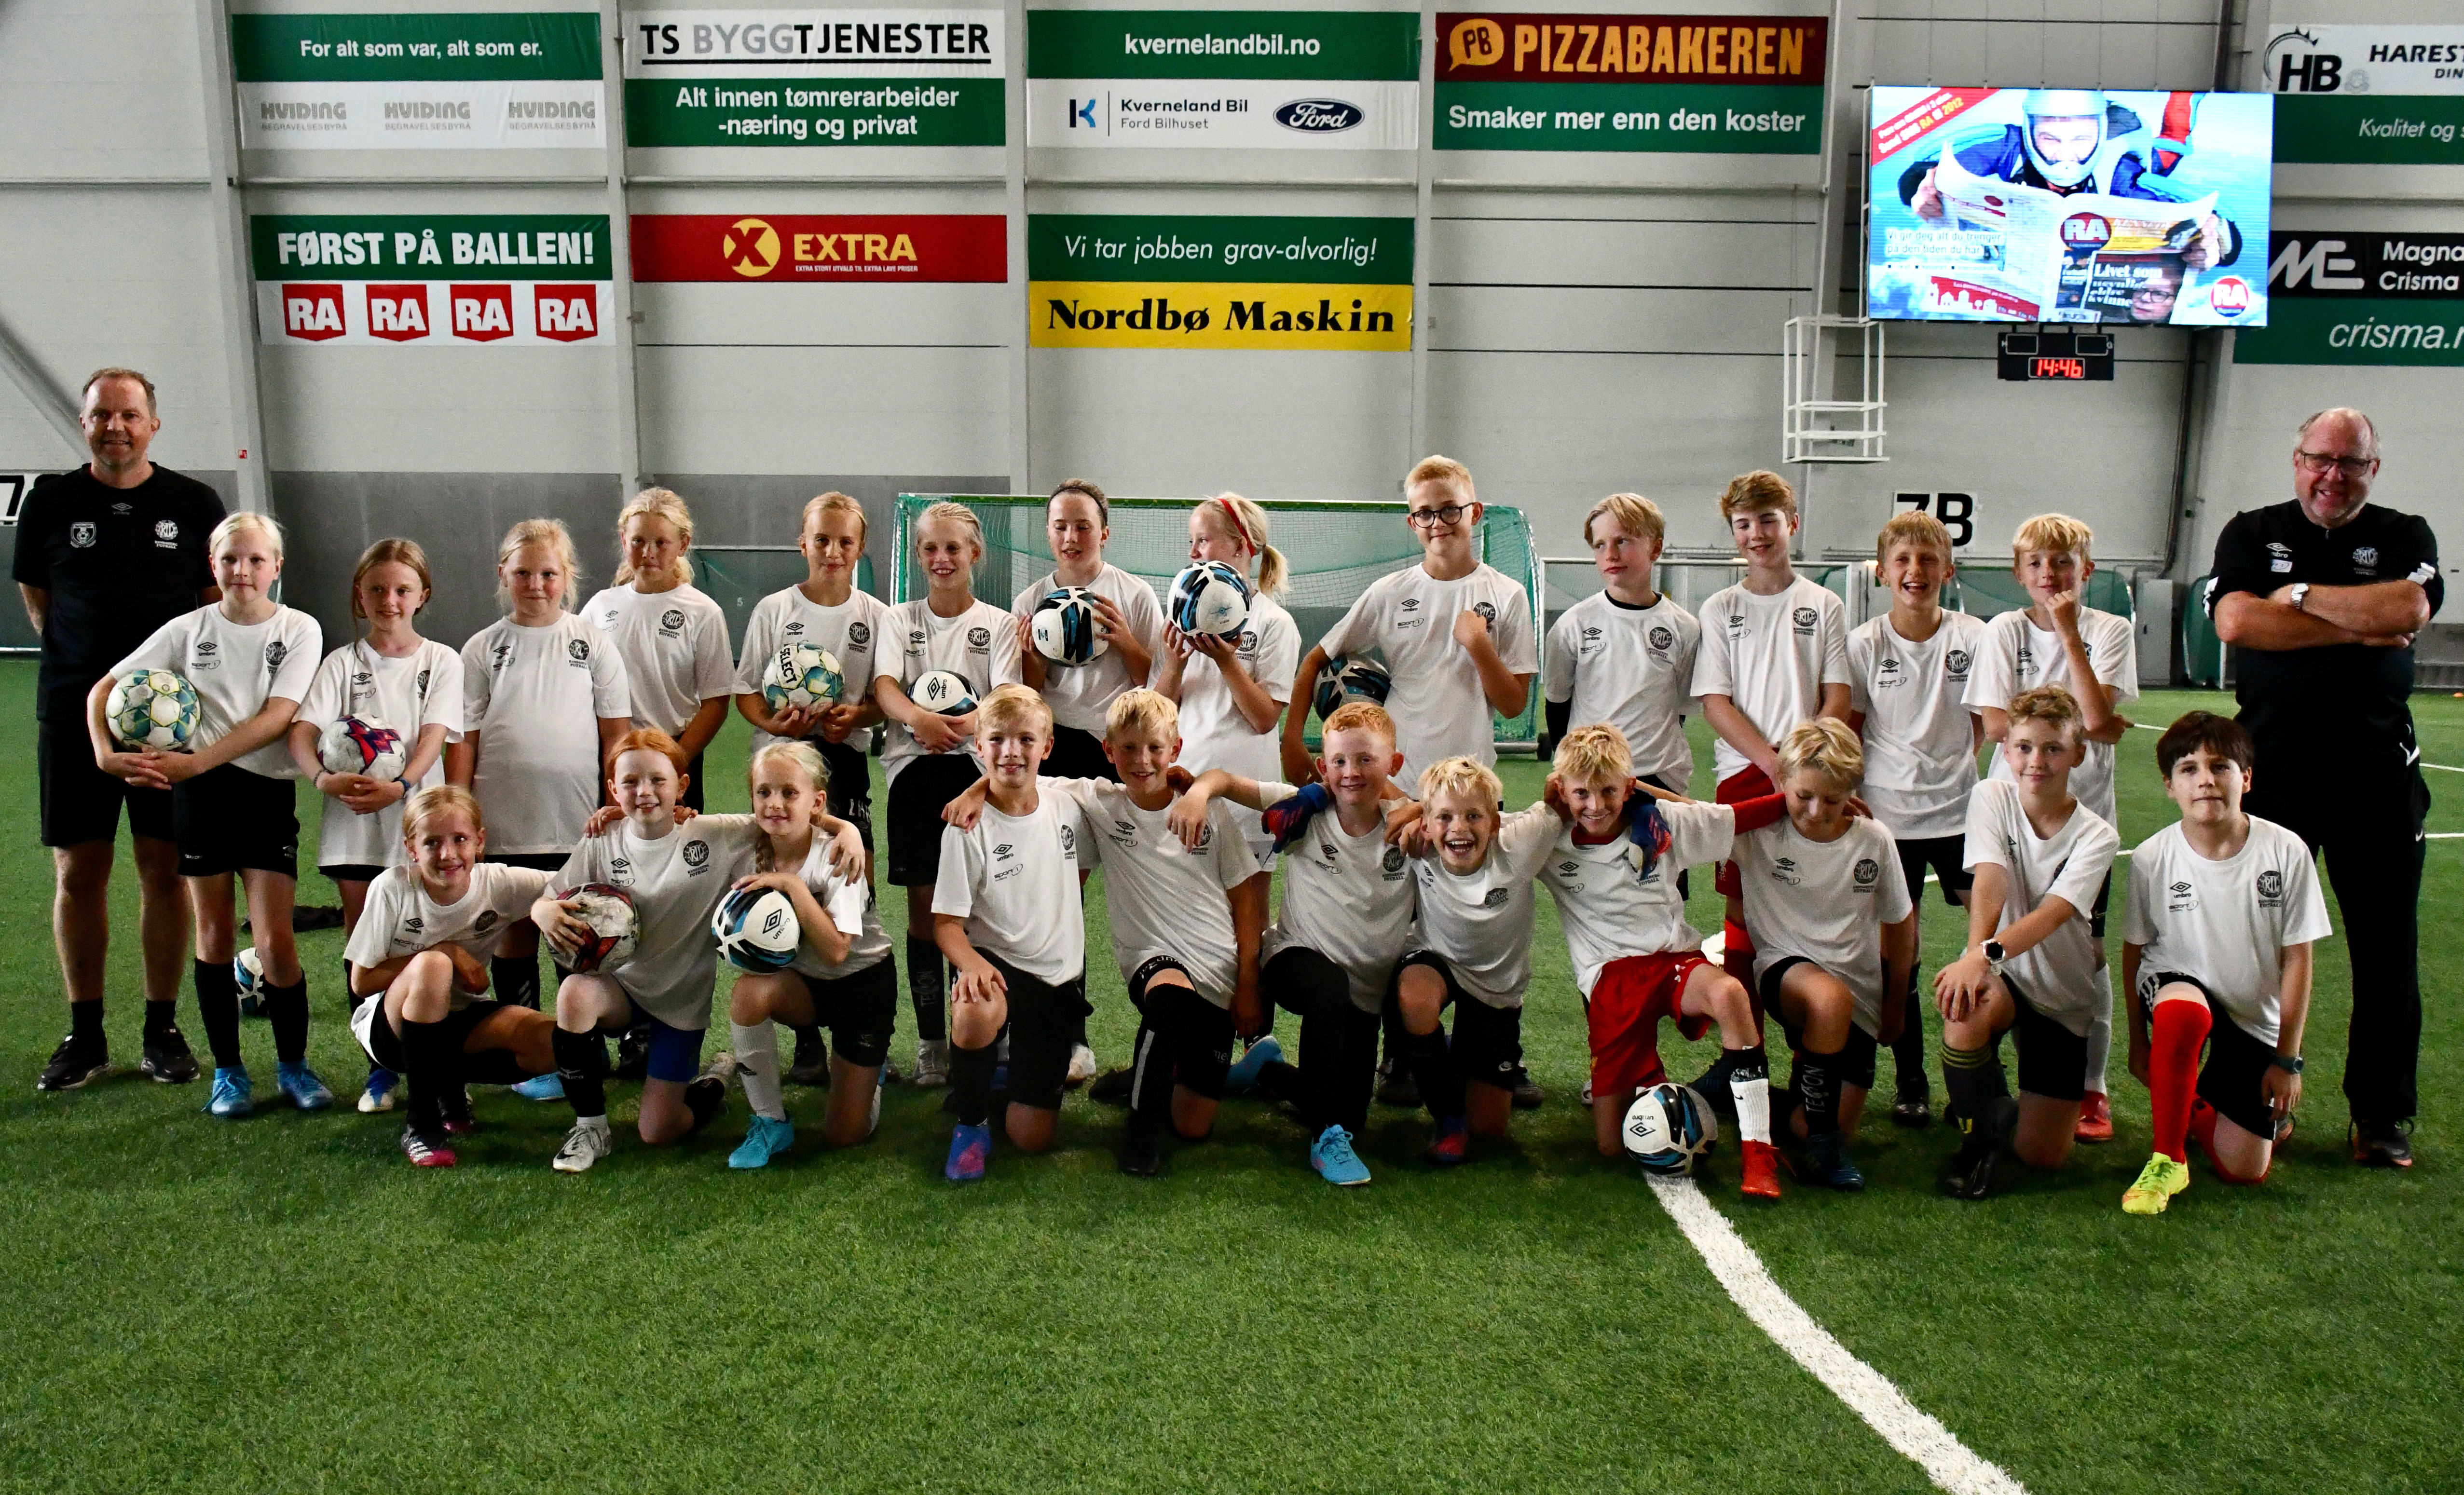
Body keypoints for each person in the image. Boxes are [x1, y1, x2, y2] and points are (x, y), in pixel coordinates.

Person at [2207, 407, 2440, 1167]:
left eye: (2350, 463)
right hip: (2272, 778)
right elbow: (2237, 623)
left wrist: (2298, 597)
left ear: (2373, 470)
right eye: (2320, 459)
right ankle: (2248, 1099)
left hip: (2378, 781)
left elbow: (2406, 609)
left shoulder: (2406, 535)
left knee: (2386, 952)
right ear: (2298, 459)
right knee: (2253, 951)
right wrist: (2356, 624)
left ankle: (2381, 1114)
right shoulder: (2251, 532)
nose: (2332, 475)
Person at [1285, 455, 1537, 1108]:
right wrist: (1292, 738)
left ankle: (1501, 1053)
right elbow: (1317, 658)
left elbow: (1514, 702)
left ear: (1474, 513)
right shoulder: (1391, 592)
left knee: (1485, 914)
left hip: (1471, 791)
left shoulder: (1506, 595)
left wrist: (1478, 645)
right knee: (1404, 917)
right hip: (1397, 788)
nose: (1438, 522)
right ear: (1411, 522)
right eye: (1425, 513)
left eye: (1450, 509)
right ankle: (1400, 1054)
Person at [947, 689, 1272, 1176]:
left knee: (1192, 1125)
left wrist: (1247, 981)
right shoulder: (1099, 802)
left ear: (1175, 749)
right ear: (1109, 750)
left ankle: (1159, 1074)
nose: (1142, 761)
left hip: (1217, 970)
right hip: (1154, 959)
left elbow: (1246, 901)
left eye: (1155, 749)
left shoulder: (1207, 812)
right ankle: (1140, 1137)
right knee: (1171, 1003)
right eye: (1129, 748)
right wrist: (974, 791)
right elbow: (1018, 775)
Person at [18, 367, 223, 1091]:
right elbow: (39, 600)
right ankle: (85, 1032)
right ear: (84, 423)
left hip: (171, 725)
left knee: (164, 870)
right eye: (102, 415)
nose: (116, 427)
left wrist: (158, 696)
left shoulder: (193, 504)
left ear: (153, 424)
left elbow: (212, 609)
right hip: (71, 713)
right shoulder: (51, 502)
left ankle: (161, 1028)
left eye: (130, 415)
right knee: (78, 872)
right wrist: (94, 683)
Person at [533, 728, 861, 1173]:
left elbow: (786, 815)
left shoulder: (713, 834)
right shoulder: (603, 838)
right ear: (613, 789)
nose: (644, 792)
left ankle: (715, 1081)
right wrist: (543, 913)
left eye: (658, 780)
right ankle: (590, 1127)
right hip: (621, 992)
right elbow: (548, 897)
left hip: (679, 1007)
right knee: (574, 992)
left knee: (659, 1131)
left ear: (682, 786)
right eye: (630, 782)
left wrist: (847, 830)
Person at [89, 512, 324, 1117]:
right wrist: (105, 753)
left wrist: (195, 761)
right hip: (200, 799)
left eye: (256, 559)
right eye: (229, 559)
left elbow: (277, 717)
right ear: (212, 565)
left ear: (277, 566)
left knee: (274, 942)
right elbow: (103, 690)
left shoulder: (299, 628)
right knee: (215, 936)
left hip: (264, 796)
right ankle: (229, 1073)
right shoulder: (187, 629)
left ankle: (294, 1066)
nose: (242, 570)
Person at [1170, 702, 1418, 1187]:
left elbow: (1475, 814)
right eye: (1340, 761)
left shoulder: (1406, 826)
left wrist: (1423, 806)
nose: (1351, 772)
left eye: (1366, 760)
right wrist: (1198, 793)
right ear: (1323, 767)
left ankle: (1264, 1072)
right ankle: (1325, 1139)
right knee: (1328, 990)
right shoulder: (1304, 811)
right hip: (1293, 960)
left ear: (1394, 763)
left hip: (1365, 992)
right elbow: (1223, 779)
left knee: (1350, 1113)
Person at [1536, 725, 1782, 1199]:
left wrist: (1804, 801)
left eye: (1609, 791)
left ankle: (1758, 1151)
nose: (1595, 805)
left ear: (1629, 787)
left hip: (1671, 960)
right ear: (1561, 790)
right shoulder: (1549, 836)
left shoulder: (1661, 822)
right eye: (1582, 793)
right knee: (1611, 1146)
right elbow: (1484, 827)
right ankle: (1650, 1081)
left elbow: (1737, 817)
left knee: (1730, 993)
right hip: (1609, 980)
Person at [1963, 513, 2137, 1142]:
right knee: (1997, 937)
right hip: (2011, 816)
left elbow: (2098, 718)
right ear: (2018, 573)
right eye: (2035, 563)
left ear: (2084, 570)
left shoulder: (2110, 629)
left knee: (2085, 953)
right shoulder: (2003, 630)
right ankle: (1989, 1080)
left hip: (2081, 817)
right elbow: (1997, 724)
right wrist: (2081, 725)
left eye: (2062, 563)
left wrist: (2067, 634)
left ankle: (2091, 1086)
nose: (2049, 574)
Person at [2119, 712, 2329, 1214]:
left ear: (2246, 778)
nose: (2206, 780)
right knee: (2182, 1012)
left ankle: (2193, 1099)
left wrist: (2286, 1060)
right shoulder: (2152, 857)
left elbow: (2298, 959)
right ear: (2170, 786)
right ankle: (2167, 1159)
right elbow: (2134, 950)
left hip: (2250, 1015)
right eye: (2188, 769)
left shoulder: (2286, 851)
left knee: (2244, 1170)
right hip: (2178, 987)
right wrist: (2138, 1040)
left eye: (2220, 766)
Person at [287, 538, 462, 1114]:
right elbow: (302, 732)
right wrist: (320, 778)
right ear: (359, 597)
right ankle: (380, 1069)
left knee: (430, 941)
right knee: (366, 944)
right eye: (377, 590)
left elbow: (435, 734)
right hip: (355, 824)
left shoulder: (441, 661)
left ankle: (439, 1070)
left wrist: (403, 785)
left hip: (419, 822)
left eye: (402, 590)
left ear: (422, 596)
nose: (390, 600)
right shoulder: (341, 663)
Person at [732, 491, 895, 1085]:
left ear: (860, 548)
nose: (832, 551)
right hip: (782, 766)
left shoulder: (876, 615)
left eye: (844, 541)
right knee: (785, 887)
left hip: (843, 761)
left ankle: (861, 1024)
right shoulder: (775, 609)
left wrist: (858, 716)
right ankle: (806, 1041)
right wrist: (775, 724)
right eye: (821, 539)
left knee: (855, 879)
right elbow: (746, 692)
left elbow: (882, 697)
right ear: (802, 543)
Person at [1933, 685, 2121, 1200]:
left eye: (2052, 748)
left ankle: (1994, 1105)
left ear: (2077, 754)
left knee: (2043, 1156)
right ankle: (1976, 1141)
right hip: (2006, 973)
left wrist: (1983, 954)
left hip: (2062, 992)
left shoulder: (2097, 835)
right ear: (2007, 750)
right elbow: (1990, 878)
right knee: (1966, 1004)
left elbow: (2052, 914)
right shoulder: (1991, 797)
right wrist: (1978, 958)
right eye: (2024, 747)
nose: (2036, 761)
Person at [448, 519, 632, 1028]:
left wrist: (614, 803)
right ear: (503, 574)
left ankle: (579, 1038)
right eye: (523, 573)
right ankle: (522, 1037)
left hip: (575, 823)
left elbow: (616, 735)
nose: (536, 584)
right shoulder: (482, 648)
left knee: (575, 931)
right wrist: (461, 815)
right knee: (515, 932)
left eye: (548, 574)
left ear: (567, 576)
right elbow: (464, 740)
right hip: (504, 821)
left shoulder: (592, 643)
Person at [1013, 479, 1164, 1086]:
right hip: (1058, 749)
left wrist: (1125, 641)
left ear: (1104, 532)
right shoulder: (1030, 600)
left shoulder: (1133, 594)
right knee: (1061, 892)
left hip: (1123, 748)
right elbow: (1028, 691)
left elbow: (1159, 679)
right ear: (1048, 533)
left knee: (1143, 884)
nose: (1071, 537)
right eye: (1060, 526)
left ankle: (1161, 1035)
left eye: (1082, 526)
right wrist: (1032, 654)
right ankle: (1071, 1035)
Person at [1728, 720, 1918, 1192]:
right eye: (1803, 796)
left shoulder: (1873, 840)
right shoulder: (1755, 832)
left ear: (1852, 791)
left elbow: (1900, 927)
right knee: (1829, 1001)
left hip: (1861, 995)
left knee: (1810, 1120)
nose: (1816, 812)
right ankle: (1823, 1148)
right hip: (1785, 971)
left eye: (1832, 800)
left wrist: (1895, 1004)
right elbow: (1683, 814)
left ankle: (1744, 1093)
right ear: (1782, 781)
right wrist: (1629, 787)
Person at [1845, 511, 1987, 1126]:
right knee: (1897, 957)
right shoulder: (1863, 643)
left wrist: (1952, 768)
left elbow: (1983, 719)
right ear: (1882, 572)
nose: (1914, 571)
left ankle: (1976, 1080)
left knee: (1993, 944)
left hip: (1961, 816)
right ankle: (1910, 1082)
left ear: (1947, 570)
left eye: (1927, 560)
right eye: (1901, 560)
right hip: (1889, 820)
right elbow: (1851, 728)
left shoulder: (1973, 636)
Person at [876, 501, 1022, 1088]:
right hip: (913, 774)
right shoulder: (898, 619)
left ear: (974, 554)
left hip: (977, 777)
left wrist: (969, 723)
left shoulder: (998, 624)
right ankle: (932, 1043)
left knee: (984, 907)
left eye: (953, 548)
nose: (941, 558)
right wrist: (918, 719)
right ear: (918, 554)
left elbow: (1006, 698)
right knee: (924, 910)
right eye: (931, 548)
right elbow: (885, 687)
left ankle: (993, 1030)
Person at [1689, 469, 1851, 996]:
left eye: (1767, 521)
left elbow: (1837, 698)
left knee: (1813, 892)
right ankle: (1746, 1037)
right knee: (1740, 904)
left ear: (1792, 524)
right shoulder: (1720, 608)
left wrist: (1803, 762)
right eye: (1743, 524)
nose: (1755, 534)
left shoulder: (1824, 604)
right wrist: (1771, 761)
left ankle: (1815, 1032)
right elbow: (1716, 703)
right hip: (1744, 773)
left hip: (1812, 779)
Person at [930, 685, 1095, 1182]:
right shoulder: (966, 827)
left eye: (1026, 739)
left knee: (1031, 1138)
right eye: (998, 740)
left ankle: (998, 1076)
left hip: (1055, 981)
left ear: (1047, 746)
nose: (1011, 751)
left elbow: (1134, 795)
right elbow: (945, 925)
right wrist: (971, 965)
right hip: (997, 964)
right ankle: (972, 1123)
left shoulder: (1070, 803)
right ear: (978, 746)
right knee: (974, 1008)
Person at [343, 787, 560, 1168]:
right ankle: (421, 1126)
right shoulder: (392, 889)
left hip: (460, 1017)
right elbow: (361, 982)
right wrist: (446, 951)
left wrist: (613, 829)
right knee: (434, 966)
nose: (447, 854)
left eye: (460, 839)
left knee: (555, 1044)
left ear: (480, 841)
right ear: (412, 848)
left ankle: (450, 1093)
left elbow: (573, 879)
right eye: (432, 843)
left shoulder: (499, 883)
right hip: (392, 1032)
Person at [723, 741, 896, 1170]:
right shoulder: (746, 839)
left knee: (845, 1135)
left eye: (789, 793)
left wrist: (793, 886)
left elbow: (837, 951)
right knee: (749, 993)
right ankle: (770, 1121)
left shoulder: (839, 853)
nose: (774, 804)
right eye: (764, 792)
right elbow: (679, 822)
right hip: (803, 985)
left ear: (816, 802)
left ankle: (871, 1076)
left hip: (863, 986)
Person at [1383, 757, 1555, 1164]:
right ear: (1426, 824)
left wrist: (1640, 809)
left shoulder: (1523, 840)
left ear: (1495, 822)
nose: (1458, 828)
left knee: (1489, 1129)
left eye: (1473, 816)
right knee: (1414, 995)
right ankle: (1448, 1120)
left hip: (1497, 986)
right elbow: (1369, 789)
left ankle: (1448, 1055)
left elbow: (1562, 792)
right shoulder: (1420, 846)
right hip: (1437, 959)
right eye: (1445, 817)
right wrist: (1414, 808)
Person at [1900, 89, 2239, 272]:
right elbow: (1926, 168)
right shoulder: (2011, 145)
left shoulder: (2121, 175)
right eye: (2050, 139)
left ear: (2100, 135)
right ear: (2029, 133)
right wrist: (1926, 187)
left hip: (2135, 147)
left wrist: (2214, 240)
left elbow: (2219, 226)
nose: (2066, 155)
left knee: (2173, 139)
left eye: (2081, 140)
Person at [1151, 493, 1300, 866]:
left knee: (1249, 903)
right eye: (1192, 541)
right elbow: (1158, 716)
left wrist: (1227, 662)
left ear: (1240, 546)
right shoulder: (1177, 619)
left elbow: (1264, 719)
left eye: (1203, 540)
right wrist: (1174, 666)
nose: (1193, 552)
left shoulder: (1273, 622)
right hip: (1187, 792)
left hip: (1248, 800)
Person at [1542, 492, 1700, 799]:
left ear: (1656, 548)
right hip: (1592, 778)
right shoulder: (1572, 625)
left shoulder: (1685, 628)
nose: (1611, 554)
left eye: (1622, 541)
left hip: (1660, 776)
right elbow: (1557, 704)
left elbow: (1680, 709)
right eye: (1600, 545)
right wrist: (1571, 767)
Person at [584, 489, 734, 811]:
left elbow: (716, 703)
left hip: (676, 750)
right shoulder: (600, 607)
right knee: (612, 839)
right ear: (624, 541)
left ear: (683, 544)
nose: (648, 553)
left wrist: (675, 759)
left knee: (675, 842)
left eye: (661, 543)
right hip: (611, 752)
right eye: (638, 541)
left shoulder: (703, 612)